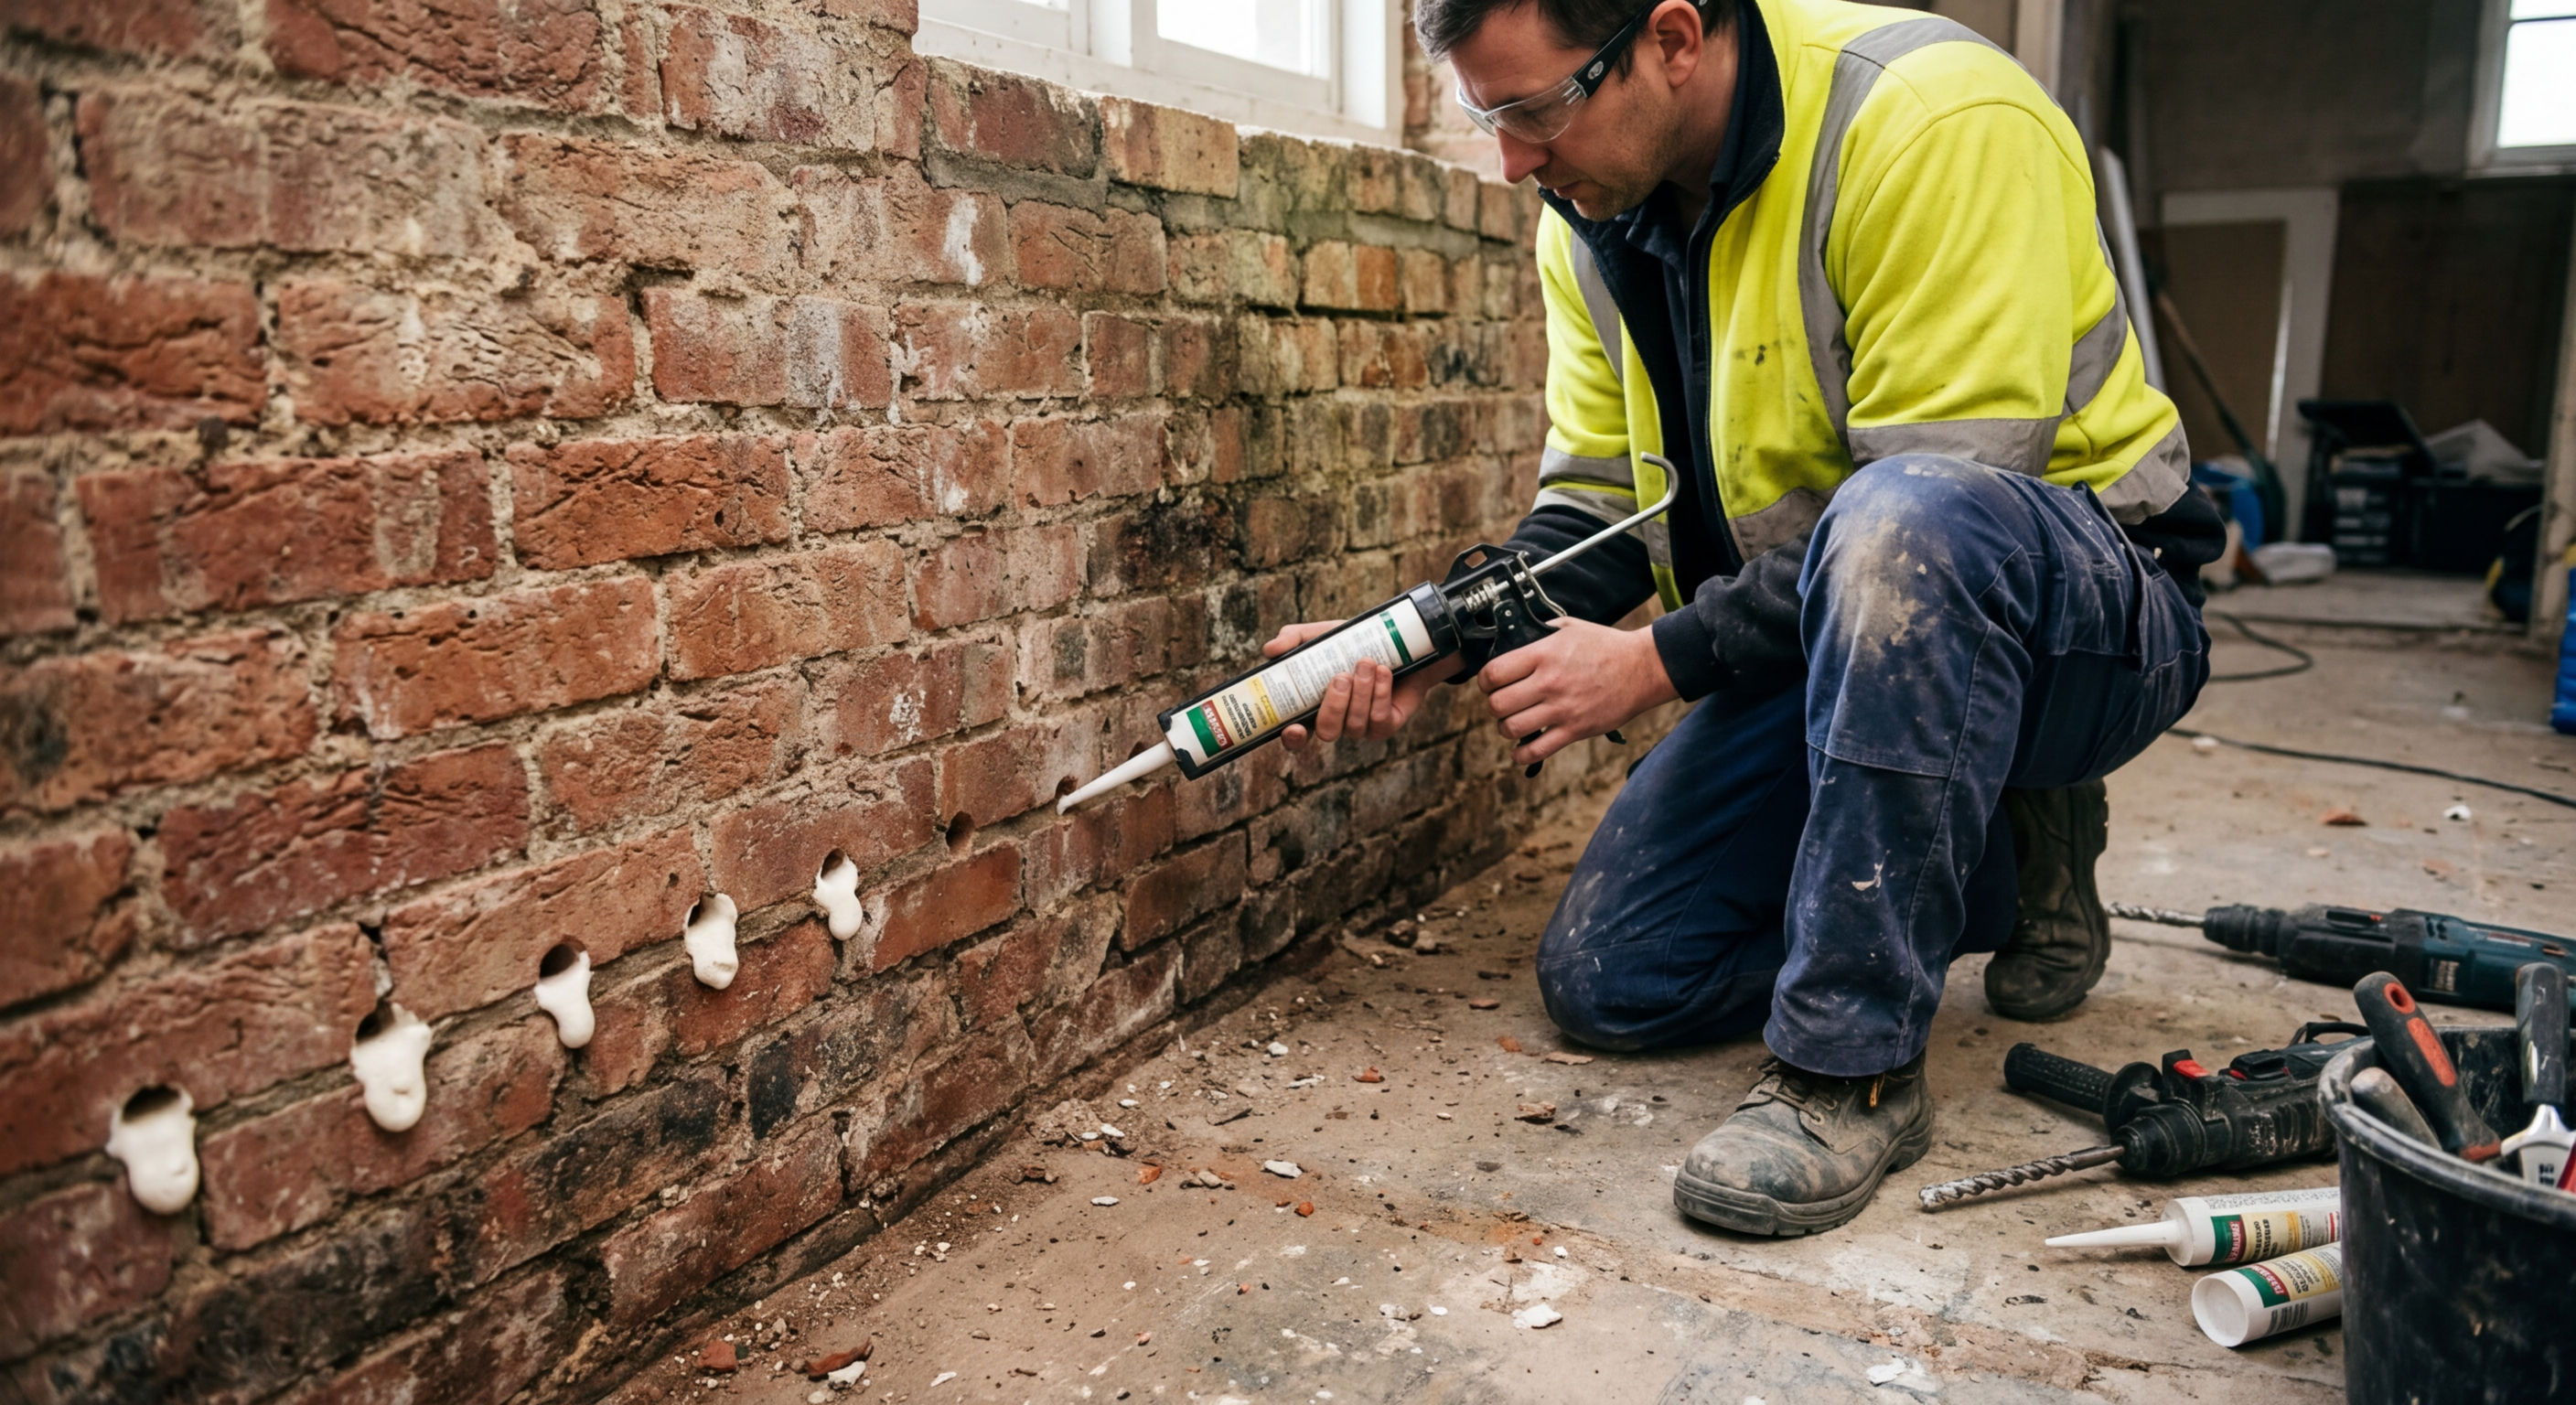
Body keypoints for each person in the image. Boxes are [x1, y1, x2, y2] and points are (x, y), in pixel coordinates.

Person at [1261, 0, 2225, 1235]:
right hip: (1831, 641)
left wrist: (1657, 661)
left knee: (1909, 515)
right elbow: (1603, 506)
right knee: (1616, 977)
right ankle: (2006, 847)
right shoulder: (1592, 213)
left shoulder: (1931, 119)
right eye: (1482, 115)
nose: (1509, 161)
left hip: (2083, 622)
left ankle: (1850, 1067)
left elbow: (1938, 509)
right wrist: (1431, 640)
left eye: (1533, 110)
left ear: (1671, 38)